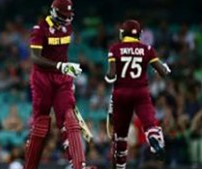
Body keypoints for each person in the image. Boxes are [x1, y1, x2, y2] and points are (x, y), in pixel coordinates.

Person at [24, 0, 94, 169]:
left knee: (69, 118)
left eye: (68, 17)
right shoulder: (39, 29)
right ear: (53, 12)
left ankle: (78, 165)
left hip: (62, 78)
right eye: (63, 17)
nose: (66, 20)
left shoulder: (68, 28)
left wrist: (66, 74)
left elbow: (61, 54)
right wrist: (60, 66)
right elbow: (35, 58)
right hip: (42, 78)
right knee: (41, 123)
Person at [105, 20, 171, 169]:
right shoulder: (147, 49)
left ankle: (121, 165)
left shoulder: (115, 49)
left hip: (121, 93)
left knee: (121, 135)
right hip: (141, 92)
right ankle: (154, 138)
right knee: (150, 122)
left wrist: (108, 78)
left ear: (123, 34)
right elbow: (162, 72)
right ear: (139, 35)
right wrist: (165, 69)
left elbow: (111, 75)